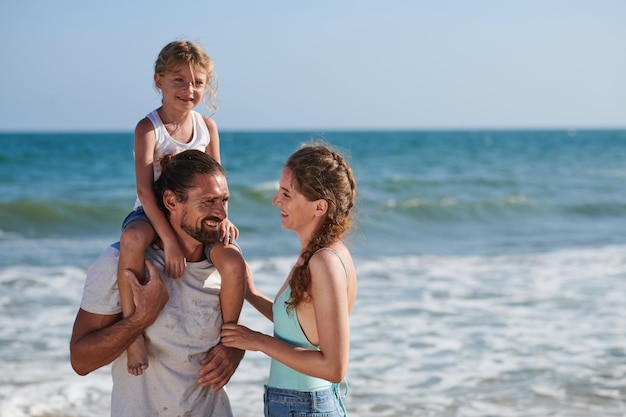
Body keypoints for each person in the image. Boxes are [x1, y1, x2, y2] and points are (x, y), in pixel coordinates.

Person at [70, 150, 246, 417]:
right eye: (208, 201)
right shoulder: (121, 262)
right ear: (171, 201)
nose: (220, 213)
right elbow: (81, 361)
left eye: (224, 201)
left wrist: (233, 350)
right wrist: (141, 318)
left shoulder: (224, 264)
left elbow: (235, 334)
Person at [119, 40, 238, 375]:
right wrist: (168, 240)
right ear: (159, 80)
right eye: (179, 80)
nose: (189, 89)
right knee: (131, 240)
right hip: (152, 212)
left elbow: (218, 187)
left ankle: (228, 338)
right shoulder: (149, 128)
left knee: (233, 256)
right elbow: (145, 191)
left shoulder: (207, 128)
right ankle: (133, 335)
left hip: (195, 215)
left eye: (198, 82)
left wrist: (224, 220)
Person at [221, 143, 358, 417]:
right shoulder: (315, 255)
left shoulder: (324, 262)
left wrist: (259, 342)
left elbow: (334, 367)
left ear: (320, 206)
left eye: (286, 193)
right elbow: (298, 327)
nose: (275, 200)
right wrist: (250, 293)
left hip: (305, 407)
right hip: (299, 404)